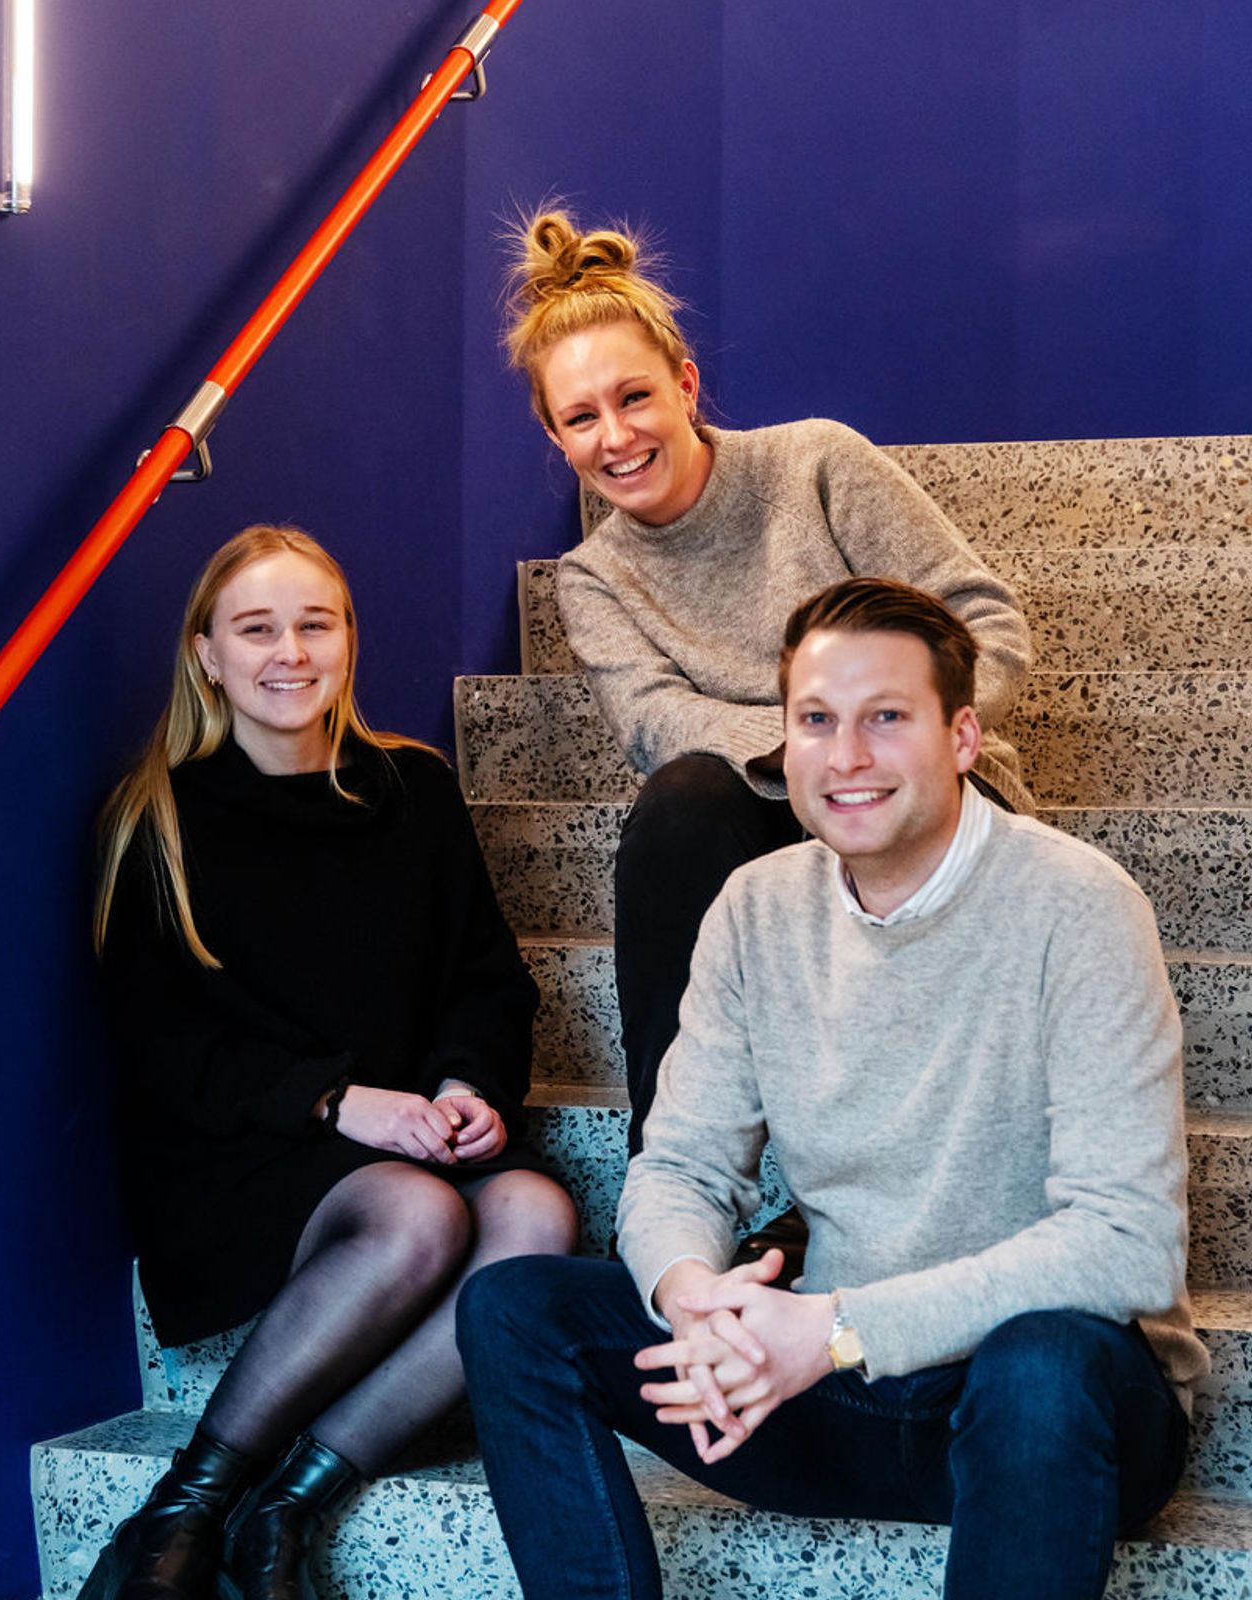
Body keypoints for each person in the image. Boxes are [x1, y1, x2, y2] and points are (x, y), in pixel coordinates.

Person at [457, 577, 1207, 1600]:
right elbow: (681, 1166)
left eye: (885, 717)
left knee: (1037, 1362)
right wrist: (693, 1297)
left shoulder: (1077, 905)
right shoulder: (755, 908)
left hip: (1057, 1414)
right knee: (513, 1307)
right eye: (815, 720)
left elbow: (1124, 1239)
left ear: (963, 737)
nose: (845, 756)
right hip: (838, 1387)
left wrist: (836, 1328)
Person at [84, 525, 578, 1600]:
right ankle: (178, 1512)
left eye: (316, 624)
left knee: (536, 1215)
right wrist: (335, 1101)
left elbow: (488, 981)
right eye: (257, 629)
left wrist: (468, 1086)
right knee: (419, 1215)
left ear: (349, 640)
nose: (291, 652)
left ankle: (289, 1506)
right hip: (243, 1155)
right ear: (207, 654)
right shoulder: (157, 817)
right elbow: (165, 1045)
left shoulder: (414, 790)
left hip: (406, 1134)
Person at [504, 208, 1036, 1154]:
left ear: (685, 384)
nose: (616, 436)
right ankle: (675, 1169)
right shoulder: (593, 577)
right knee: (679, 801)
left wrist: (879, 745)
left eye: (634, 397)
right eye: (581, 418)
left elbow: (985, 624)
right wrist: (816, 751)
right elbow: (655, 721)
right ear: (555, 434)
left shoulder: (816, 464)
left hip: (916, 780)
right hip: (752, 803)